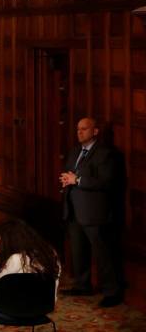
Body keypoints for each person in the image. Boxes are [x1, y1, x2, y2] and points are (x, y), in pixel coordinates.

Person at [59, 116, 126, 307]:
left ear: (95, 131)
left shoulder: (106, 154)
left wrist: (77, 181)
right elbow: (70, 173)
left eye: (84, 129)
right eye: (78, 129)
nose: (79, 132)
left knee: (103, 254)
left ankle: (112, 292)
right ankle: (82, 284)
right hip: (73, 209)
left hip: (94, 212)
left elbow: (107, 182)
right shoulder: (74, 151)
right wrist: (67, 180)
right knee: (78, 251)